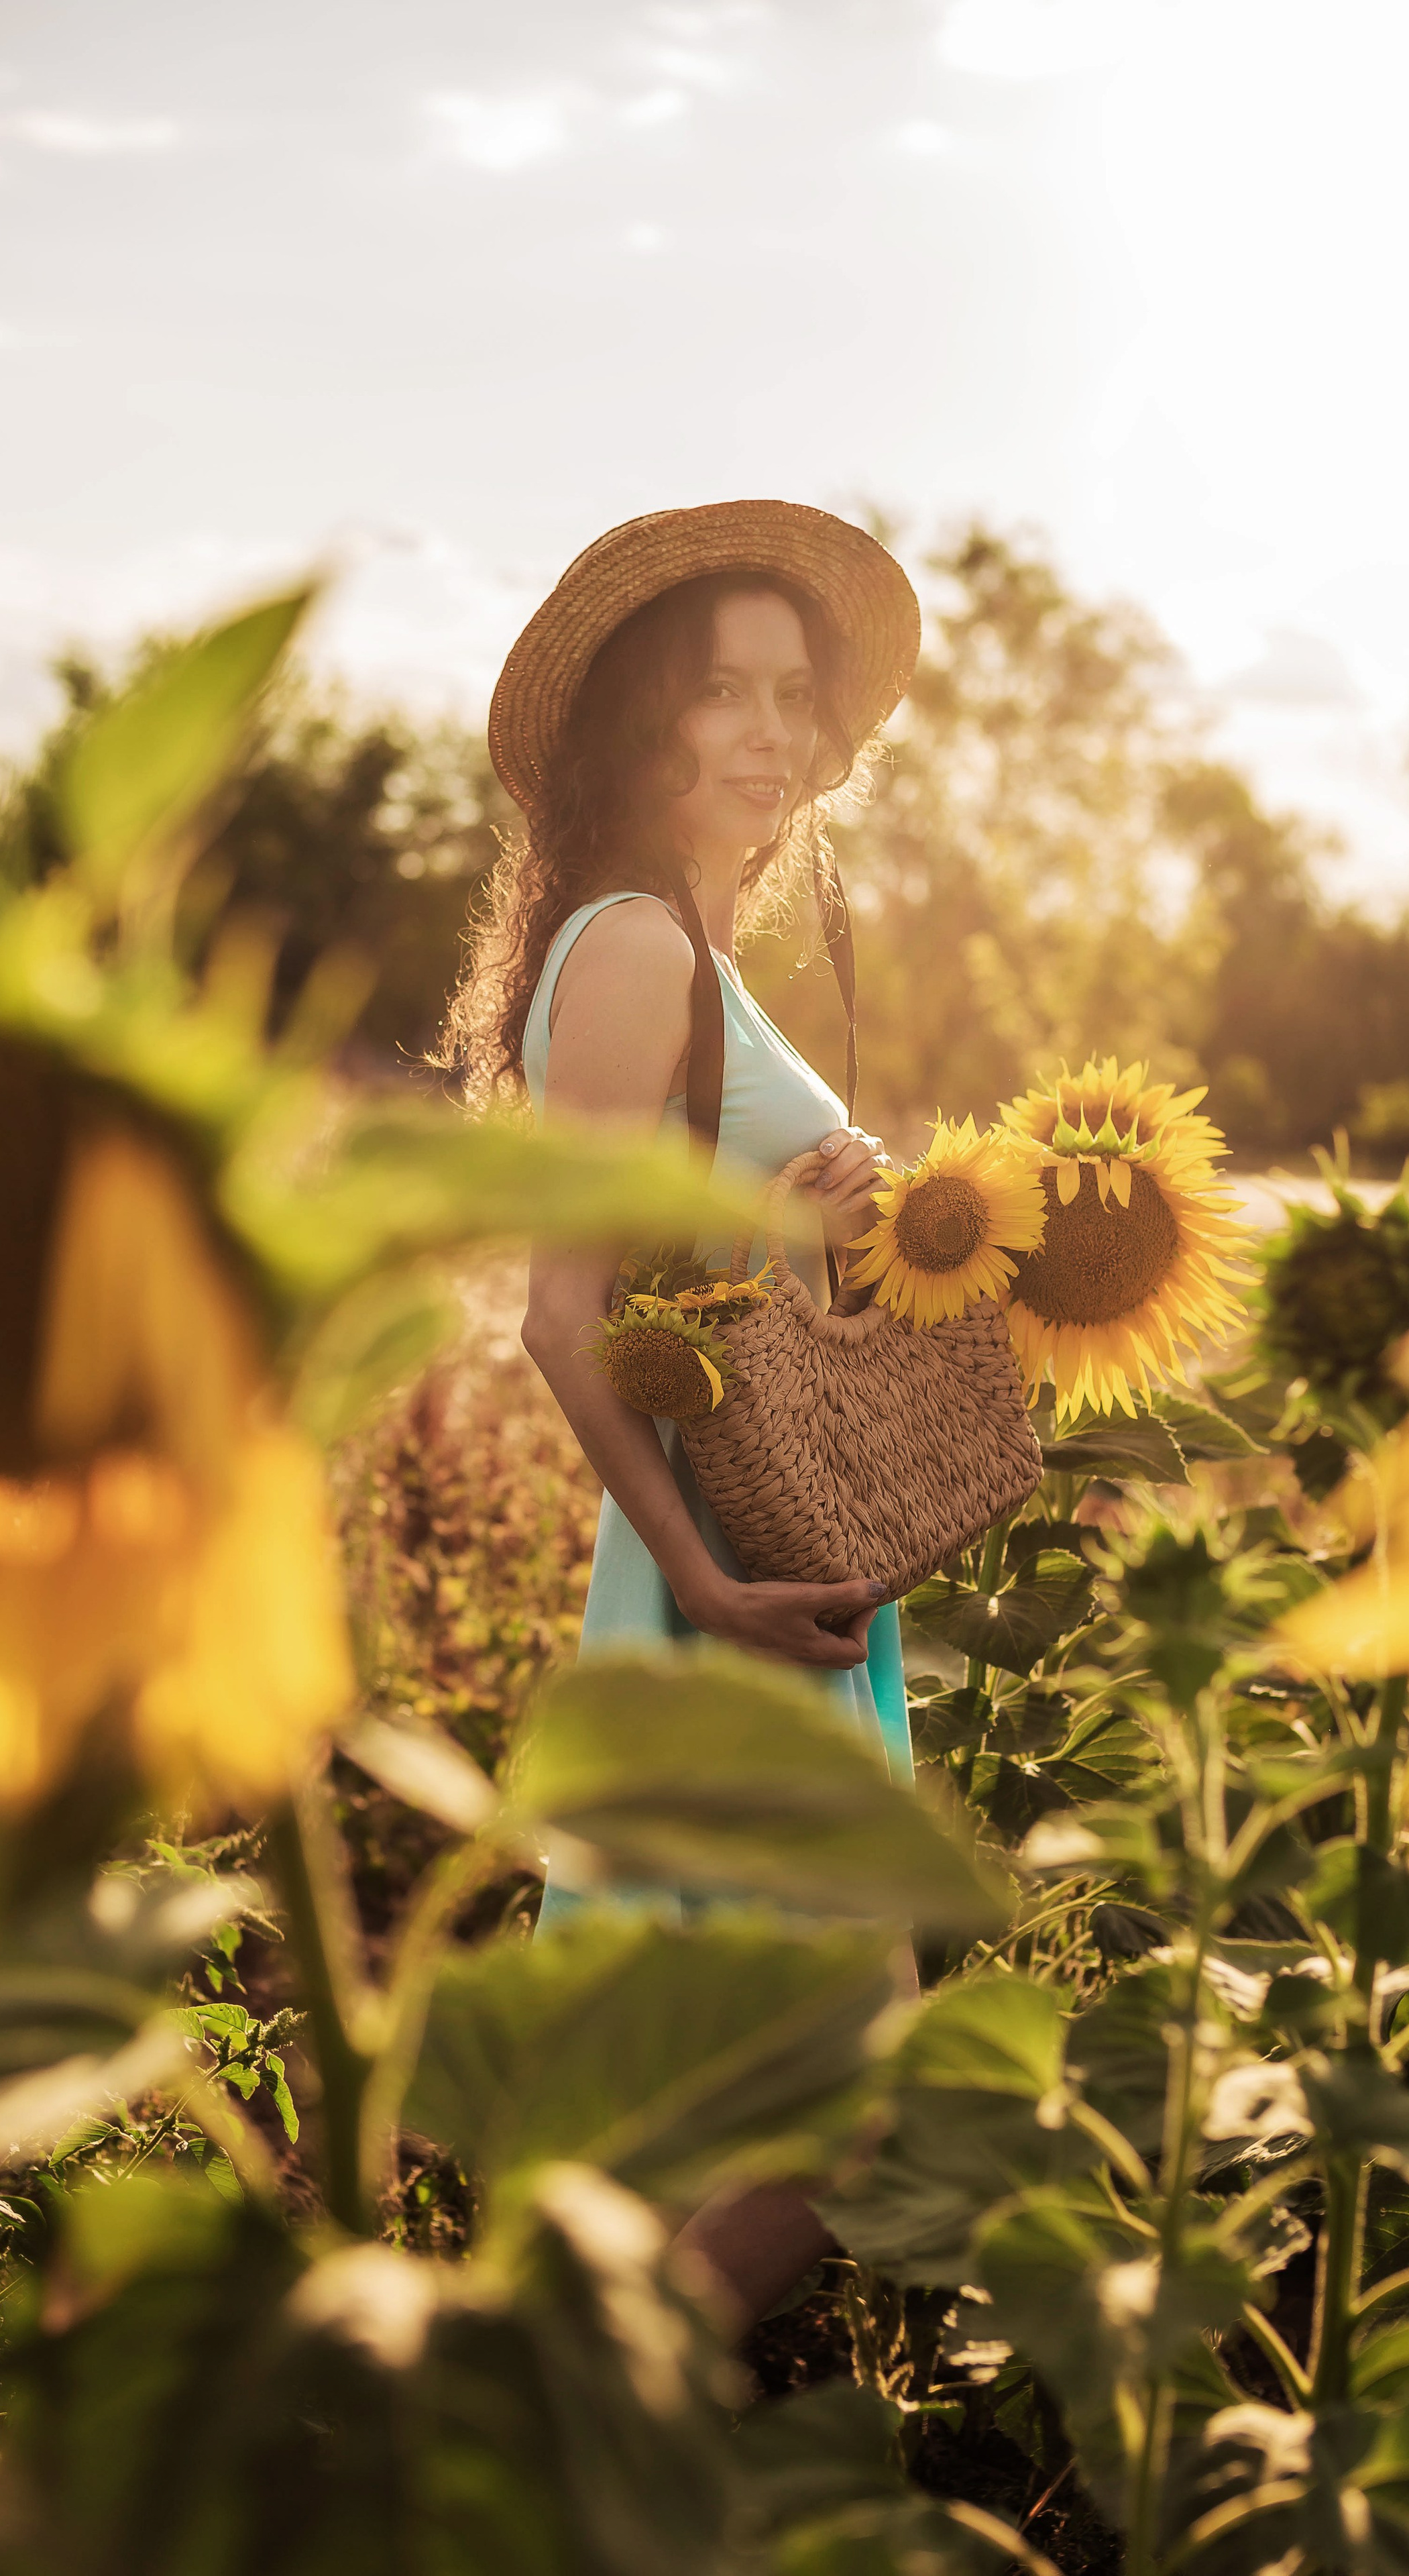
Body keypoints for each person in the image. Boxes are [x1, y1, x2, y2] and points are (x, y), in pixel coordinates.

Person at [441, 500, 921, 2325]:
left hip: (764, 1578)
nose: (771, 732)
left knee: (727, 2105)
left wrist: (838, 1227)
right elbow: (569, 1317)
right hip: (722, 1589)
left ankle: (574, 2435)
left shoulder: (698, 965)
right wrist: (705, 1595)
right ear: (645, 719)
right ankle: (562, 2428)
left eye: (794, 696)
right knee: (847, 2106)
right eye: (725, 689)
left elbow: (691, 1285)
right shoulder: (637, 948)